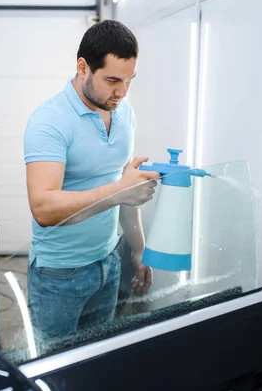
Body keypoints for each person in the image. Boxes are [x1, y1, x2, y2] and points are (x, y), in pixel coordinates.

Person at [23, 20, 160, 339]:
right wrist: (119, 191)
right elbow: (43, 208)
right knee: (53, 377)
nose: (122, 93)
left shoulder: (124, 113)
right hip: (58, 276)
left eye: (129, 81)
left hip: (108, 262)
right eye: (113, 80)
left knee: (95, 366)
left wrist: (139, 250)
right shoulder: (50, 121)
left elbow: (124, 191)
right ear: (82, 67)